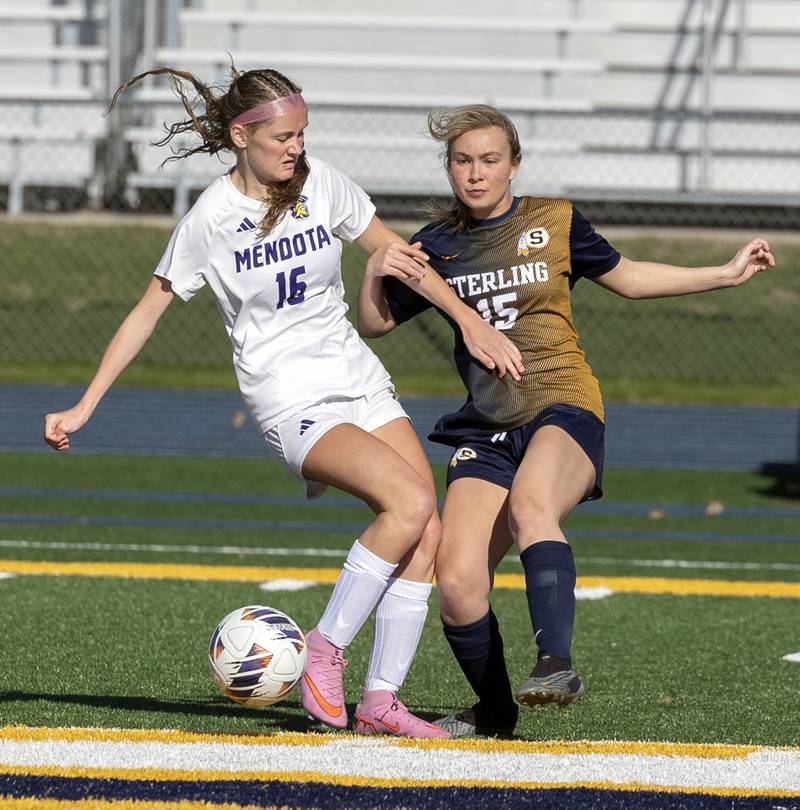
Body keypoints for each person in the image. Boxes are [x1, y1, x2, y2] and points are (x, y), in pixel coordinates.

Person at [43, 72, 525, 738]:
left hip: (358, 379)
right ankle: (324, 650)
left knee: (429, 531)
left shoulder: (321, 183)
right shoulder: (211, 217)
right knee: (408, 504)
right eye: (282, 137)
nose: (296, 148)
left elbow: (394, 252)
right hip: (288, 397)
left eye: (301, 134)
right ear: (242, 137)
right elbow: (145, 313)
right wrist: (84, 405)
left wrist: (467, 320)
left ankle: (380, 702)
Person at [357, 104, 775, 737]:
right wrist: (372, 270)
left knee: (533, 505)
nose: (476, 173)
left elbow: (628, 278)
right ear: (449, 167)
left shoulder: (553, 220)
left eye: (490, 160)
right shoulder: (437, 245)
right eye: (463, 161)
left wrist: (724, 273)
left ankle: (555, 664)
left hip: (565, 408)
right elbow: (376, 323)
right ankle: (497, 713)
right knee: (459, 581)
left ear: (514, 164)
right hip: (486, 429)